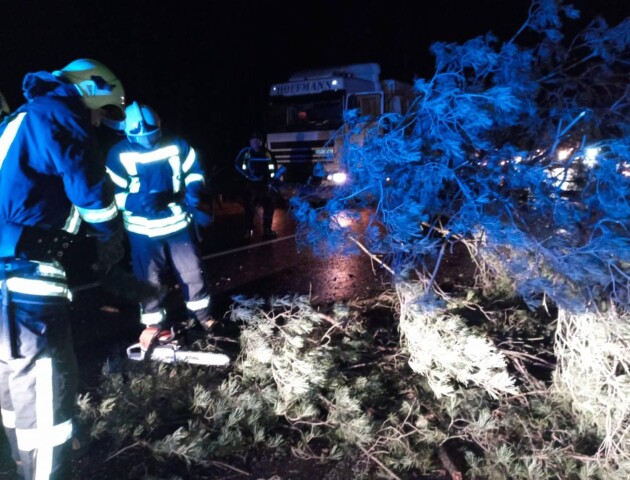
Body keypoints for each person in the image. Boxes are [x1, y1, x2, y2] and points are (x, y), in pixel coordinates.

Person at [0, 59, 129, 480]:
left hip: (8, 271)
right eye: (99, 112)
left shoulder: (21, 120)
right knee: (45, 390)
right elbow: (87, 187)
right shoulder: (59, 114)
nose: (95, 123)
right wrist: (111, 234)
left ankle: (21, 463)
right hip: (24, 278)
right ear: (91, 91)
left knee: (14, 380)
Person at [105, 101, 217, 351]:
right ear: (128, 133)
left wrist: (195, 190)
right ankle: (154, 325)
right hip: (142, 231)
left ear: (160, 127)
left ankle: (202, 316)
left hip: (178, 224)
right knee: (148, 280)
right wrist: (135, 201)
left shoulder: (178, 145)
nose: (147, 140)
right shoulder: (117, 154)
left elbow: (194, 171)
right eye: (141, 136)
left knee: (192, 271)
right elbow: (110, 195)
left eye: (152, 134)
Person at [234, 131, 282, 239]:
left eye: (258, 140)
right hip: (250, 186)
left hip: (264, 185)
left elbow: (273, 169)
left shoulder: (267, 154)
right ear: (250, 141)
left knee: (269, 206)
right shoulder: (246, 153)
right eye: (253, 140)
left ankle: (267, 230)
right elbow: (238, 166)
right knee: (249, 208)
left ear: (261, 141)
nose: (255, 142)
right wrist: (249, 177)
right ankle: (248, 231)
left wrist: (270, 180)